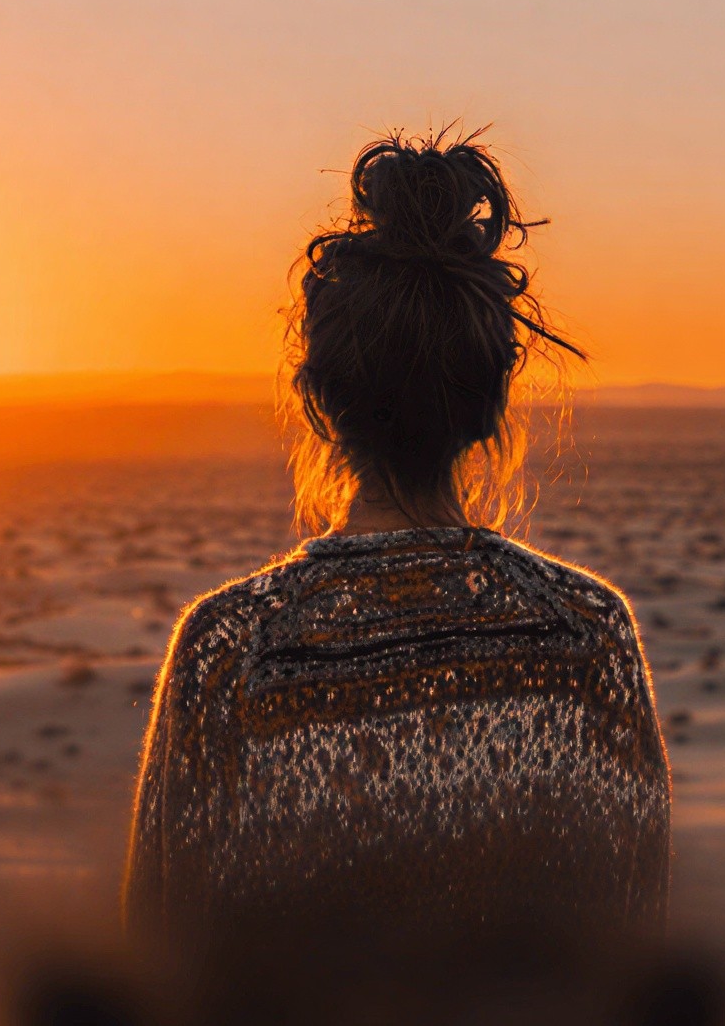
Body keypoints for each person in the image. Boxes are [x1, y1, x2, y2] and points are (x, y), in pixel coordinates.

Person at [122, 126, 670, 965]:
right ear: (494, 401)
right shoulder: (587, 632)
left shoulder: (232, 648)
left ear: (318, 399)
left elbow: (161, 964)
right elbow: (636, 956)